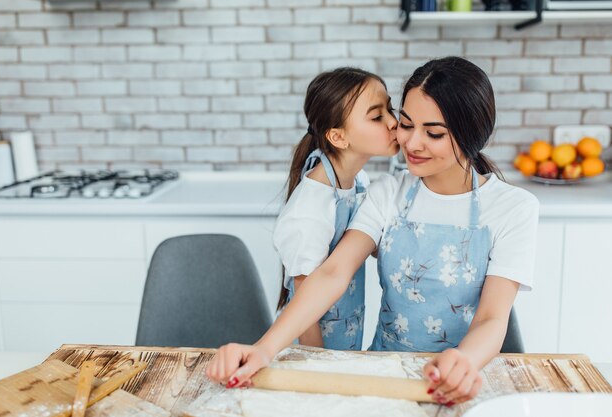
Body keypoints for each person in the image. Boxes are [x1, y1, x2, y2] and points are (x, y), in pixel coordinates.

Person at [206, 57, 539, 407]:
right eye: (407, 124)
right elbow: (333, 272)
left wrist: (464, 361)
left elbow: (492, 318)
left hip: (462, 381)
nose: (412, 143)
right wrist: (264, 349)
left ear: (472, 135)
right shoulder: (386, 193)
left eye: (434, 133)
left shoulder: (513, 208)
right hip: (382, 376)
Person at [274, 67, 399, 350]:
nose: (393, 122)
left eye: (390, 110)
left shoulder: (358, 182)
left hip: (346, 333)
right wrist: (319, 366)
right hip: (311, 346)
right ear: (338, 137)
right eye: (377, 116)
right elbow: (305, 314)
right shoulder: (312, 207)